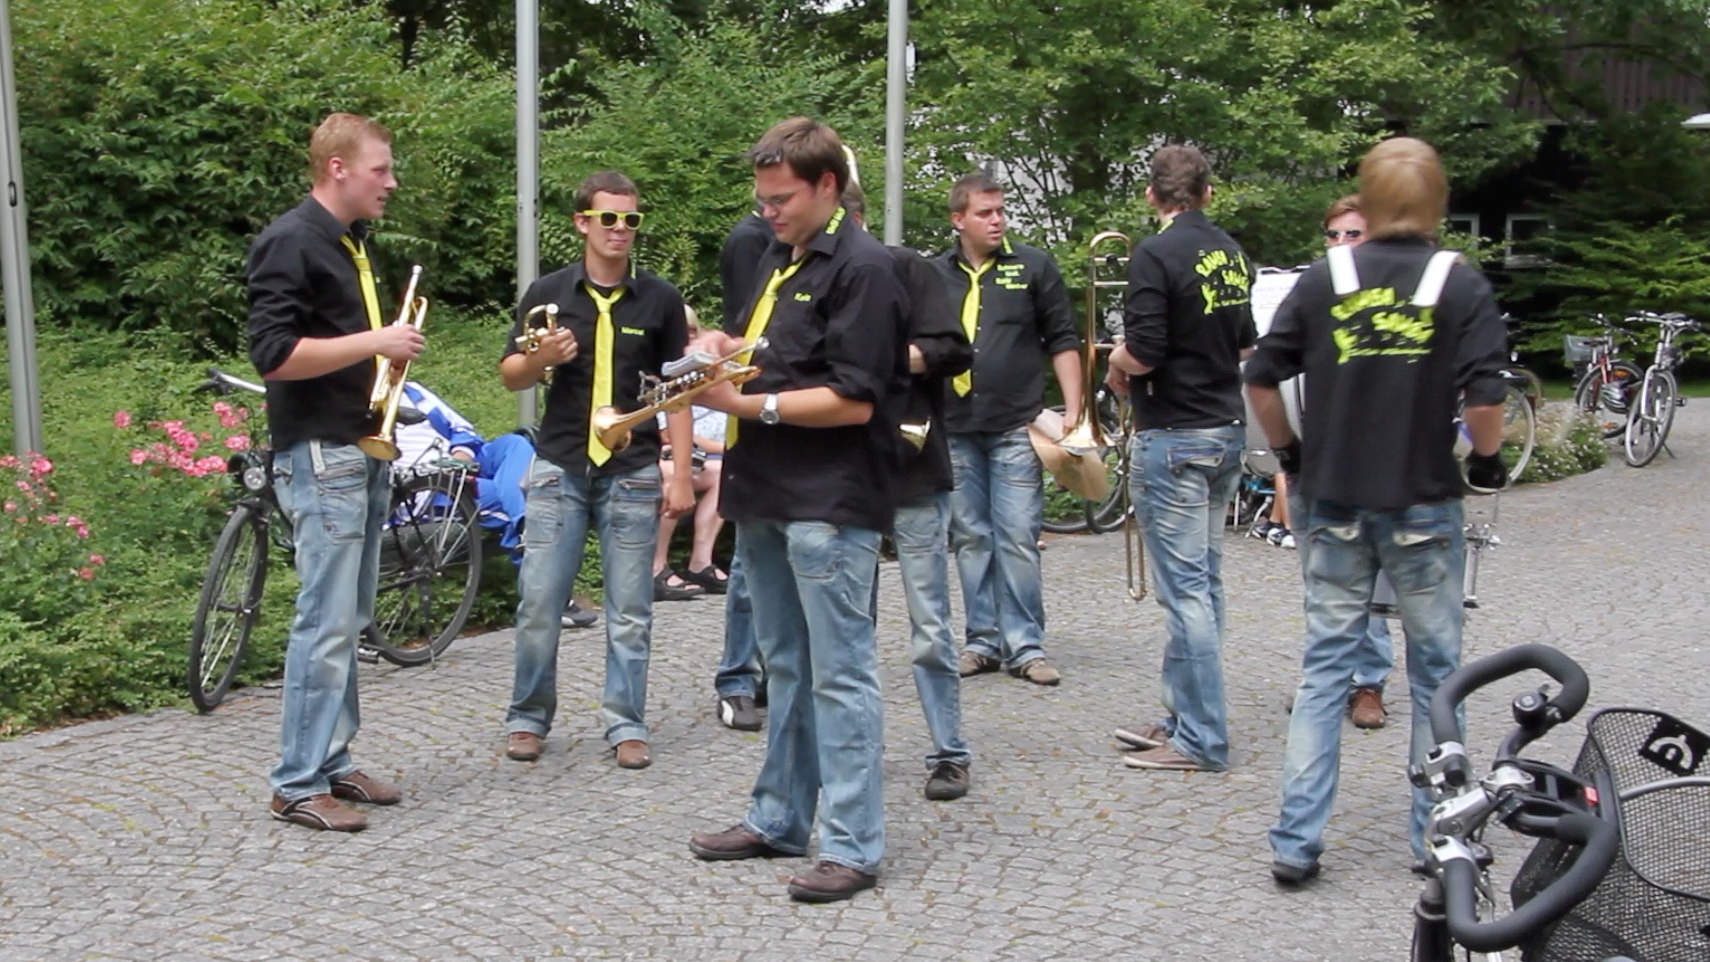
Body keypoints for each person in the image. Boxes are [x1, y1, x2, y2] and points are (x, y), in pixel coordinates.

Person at [1247, 137, 1509, 885]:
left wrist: (1289, 453)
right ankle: (1437, 838)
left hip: (1333, 499)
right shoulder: (1457, 282)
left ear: (1368, 198)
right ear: (1437, 202)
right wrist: (1484, 461)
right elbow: (1486, 397)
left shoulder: (1326, 277)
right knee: (1436, 675)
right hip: (1422, 500)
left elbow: (1261, 377)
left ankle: (1296, 841)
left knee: (1325, 669)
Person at [686, 117, 907, 903]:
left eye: (781, 199)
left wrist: (744, 406)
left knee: (840, 674)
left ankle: (852, 844)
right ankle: (779, 816)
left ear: (827, 186)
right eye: (762, 198)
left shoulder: (866, 269)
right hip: (768, 493)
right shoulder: (781, 257)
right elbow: (771, 356)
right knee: (784, 666)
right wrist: (723, 347)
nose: (767, 212)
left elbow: (855, 399)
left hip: (830, 502)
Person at [249, 112, 419, 832]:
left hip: (358, 445)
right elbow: (274, 355)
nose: (392, 181)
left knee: (349, 619)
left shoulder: (351, 242)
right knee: (324, 621)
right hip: (322, 453)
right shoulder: (291, 240)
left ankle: (330, 760)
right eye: (381, 169)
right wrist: (375, 341)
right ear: (338, 168)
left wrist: (383, 359)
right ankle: (295, 782)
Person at [499, 170, 694, 772]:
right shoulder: (548, 293)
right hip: (560, 464)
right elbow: (510, 375)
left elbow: (676, 392)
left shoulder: (660, 299)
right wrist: (539, 357)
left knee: (631, 609)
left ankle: (626, 723)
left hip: (631, 468)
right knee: (540, 602)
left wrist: (679, 472)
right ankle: (528, 718)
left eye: (630, 219)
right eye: (608, 218)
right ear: (582, 223)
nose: (620, 229)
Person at [1106, 144, 1255, 774]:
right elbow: (1244, 345)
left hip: (1174, 433)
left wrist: (1114, 361)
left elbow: (1145, 351)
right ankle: (1183, 715)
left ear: (1152, 196)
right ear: (1208, 193)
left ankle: (1201, 739)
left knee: (1186, 593)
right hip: (1224, 430)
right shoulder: (1231, 251)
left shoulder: (1155, 253)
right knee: (1204, 584)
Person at [845, 182, 976, 801]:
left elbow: (953, 349)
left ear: (856, 219)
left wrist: (885, 359)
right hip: (844, 475)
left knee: (929, 625)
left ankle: (949, 752)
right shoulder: (808, 280)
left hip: (913, 464)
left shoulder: (907, 269)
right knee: (850, 628)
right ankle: (855, 750)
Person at [937, 173, 1081, 687]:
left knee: (1018, 535)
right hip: (955, 425)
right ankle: (982, 641)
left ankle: (1025, 645)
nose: (996, 221)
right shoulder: (933, 274)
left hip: (1017, 423)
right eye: (984, 213)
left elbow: (1062, 339)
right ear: (958, 219)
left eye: (1000, 211)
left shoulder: (1034, 266)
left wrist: (1074, 411)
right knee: (971, 537)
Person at [1277, 195, 1392, 730]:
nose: (1341, 244)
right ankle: (1326, 678)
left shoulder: (1393, 297)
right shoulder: (1313, 291)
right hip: (1313, 454)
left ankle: (1368, 682)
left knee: (1367, 579)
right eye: (1333, 235)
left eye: (1353, 234)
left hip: (1370, 460)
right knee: (1320, 580)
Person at [390, 381, 598, 629]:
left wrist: (461, 454)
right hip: (431, 487)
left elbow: (461, 428)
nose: (397, 366)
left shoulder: (411, 390)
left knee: (513, 444)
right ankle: (551, 599)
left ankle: (524, 522)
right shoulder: (367, 401)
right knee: (515, 501)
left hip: (462, 462)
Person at [651, 308, 730, 602]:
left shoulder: (712, 372)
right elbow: (666, 433)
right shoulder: (661, 374)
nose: (687, 337)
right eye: (681, 332)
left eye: (693, 331)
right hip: (668, 455)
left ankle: (701, 562)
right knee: (674, 476)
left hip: (708, 457)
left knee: (726, 475)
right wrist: (719, 448)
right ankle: (655, 568)